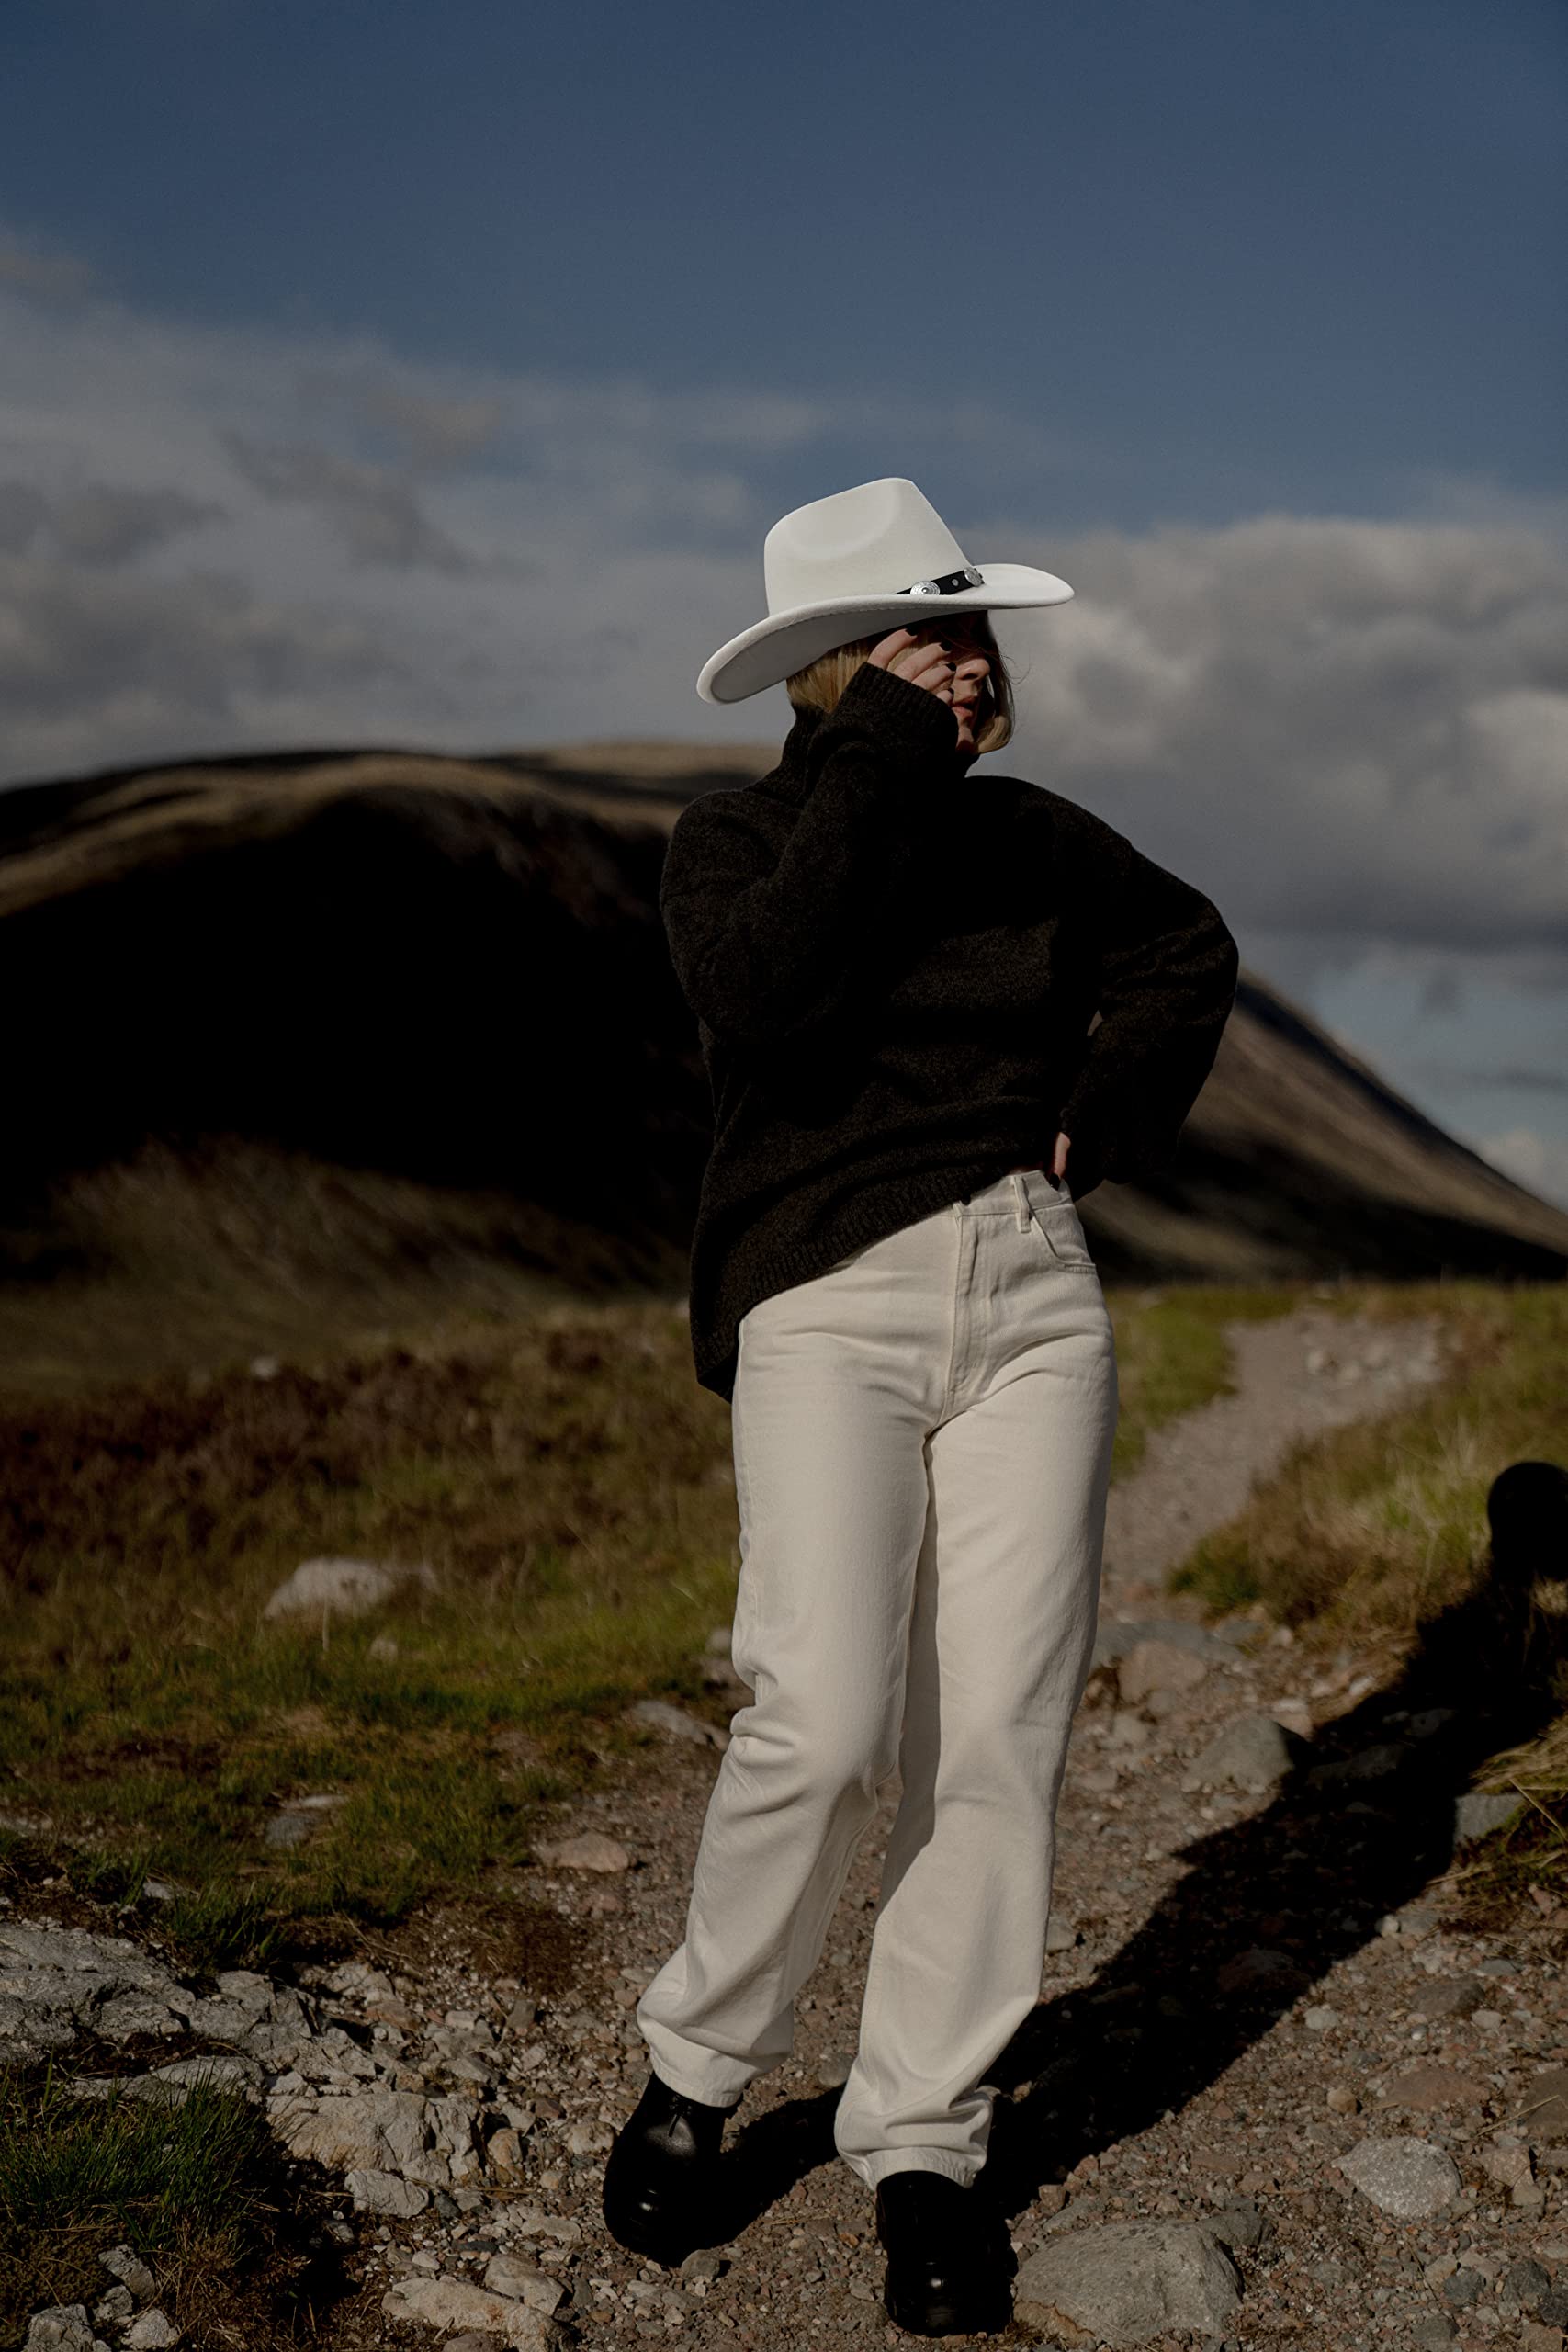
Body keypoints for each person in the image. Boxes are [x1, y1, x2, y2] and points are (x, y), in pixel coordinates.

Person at [602, 478, 1239, 2336]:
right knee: (811, 1710)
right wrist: (874, 745)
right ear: (832, 674)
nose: (973, 662)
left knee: (996, 1731)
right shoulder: (729, 845)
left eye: (974, 632)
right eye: (927, 634)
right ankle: (697, 2069)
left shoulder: (1034, 838)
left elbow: (1181, 951)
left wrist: (1101, 1120)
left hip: (1029, 1293)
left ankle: (927, 2141)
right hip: (827, 1299)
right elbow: (769, 996)